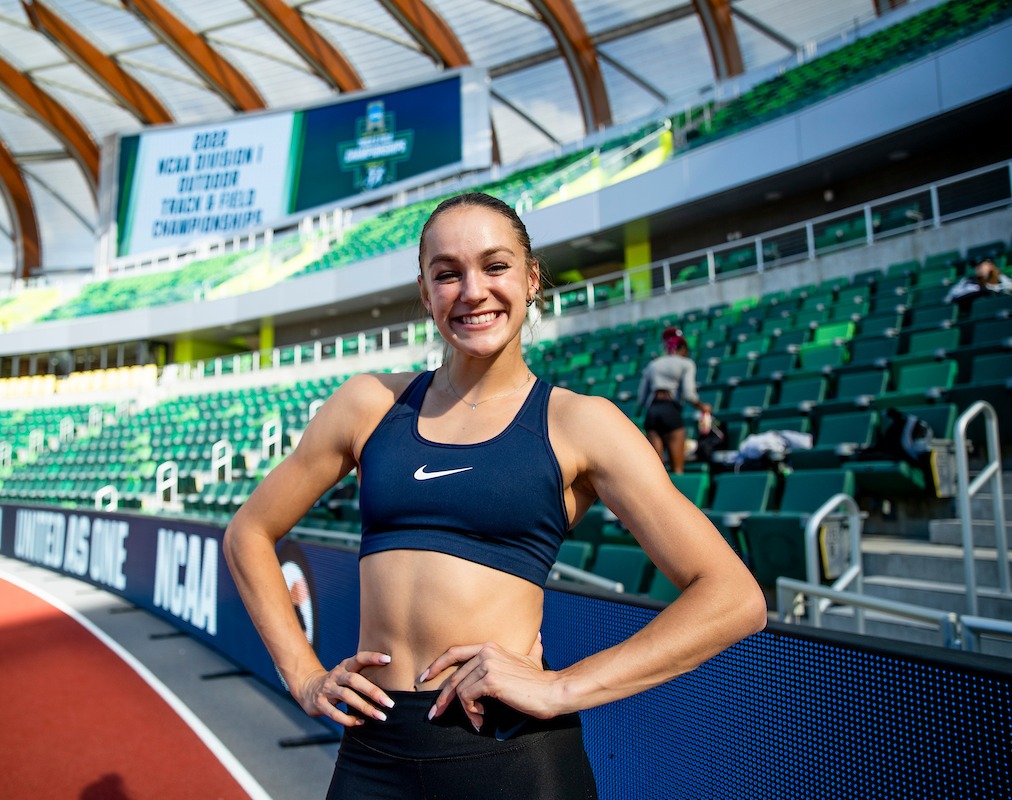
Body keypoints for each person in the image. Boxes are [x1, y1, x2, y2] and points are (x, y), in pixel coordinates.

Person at [223, 192, 768, 800]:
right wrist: (302, 673)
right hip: (373, 750)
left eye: (495, 266)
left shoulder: (579, 423)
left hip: (508, 753)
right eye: (447, 273)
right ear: (426, 295)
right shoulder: (368, 404)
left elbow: (733, 597)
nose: (472, 290)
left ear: (532, 279)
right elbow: (248, 532)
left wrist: (563, 687)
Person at [637, 328, 712, 474]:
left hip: (652, 413)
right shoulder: (686, 363)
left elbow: (641, 399)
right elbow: (689, 394)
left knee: (656, 471)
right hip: (670, 411)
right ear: (682, 348)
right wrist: (703, 407)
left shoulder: (653, 364)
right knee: (677, 469)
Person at [944, 256, 1012, 309]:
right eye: (976, 266)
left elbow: (1009, 287)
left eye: (980, 265)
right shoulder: (968, 280)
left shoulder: (1000, 278)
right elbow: (951, 296)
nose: (977, 268)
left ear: (990, 266)